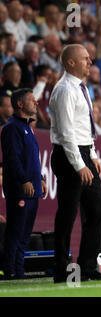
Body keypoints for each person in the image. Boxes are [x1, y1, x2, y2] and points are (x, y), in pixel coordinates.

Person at [49, 44, 101, 283]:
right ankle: (61, 268)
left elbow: (82, 127)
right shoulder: (65, 89)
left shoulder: (80, 88)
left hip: (84, 152)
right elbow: (66, 132)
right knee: (67, 211)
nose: (91, 61)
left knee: (98, 209)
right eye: (85, 58)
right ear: (71, 63)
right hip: (69, 156)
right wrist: (78, 164)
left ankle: (87, 265)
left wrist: (92, 155)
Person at [0, 88, 47, 280]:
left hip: (33, 187)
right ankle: (10, 269)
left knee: (25, 232)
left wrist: (41, 179)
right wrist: (24, 180)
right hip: (20, 189)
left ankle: (18, 270)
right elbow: (13, 159)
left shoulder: (27, 128)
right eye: (31, 100)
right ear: (20, 104)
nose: (36, 103)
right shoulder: (12, 128)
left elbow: (31, 159)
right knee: (16, 230)